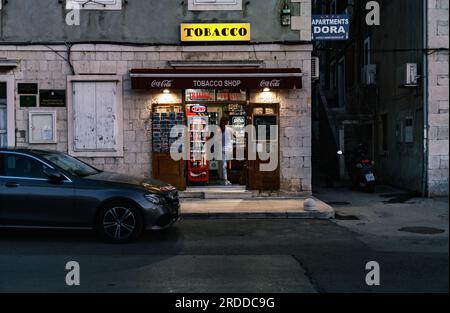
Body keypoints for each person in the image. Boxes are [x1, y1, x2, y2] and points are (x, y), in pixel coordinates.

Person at [218, 117, 234, 185]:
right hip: (228, 149)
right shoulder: (230, 129)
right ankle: (226, 180)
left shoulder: (218, 129)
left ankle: (223, 179)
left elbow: (216, 139)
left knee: (222, 165)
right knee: (227, 165)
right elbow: (235, 136)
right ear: (226, 122)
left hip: (221, 149)